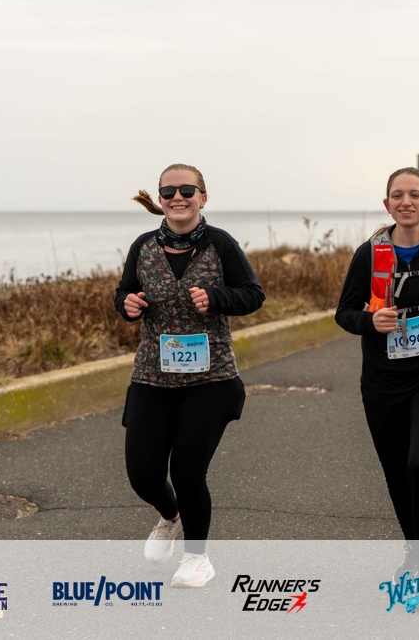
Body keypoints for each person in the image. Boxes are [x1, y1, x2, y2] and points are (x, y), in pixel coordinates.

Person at [114, 163, 265, 587]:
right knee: (143, 475)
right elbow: (123, 292)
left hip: (210, 380)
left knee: (187, 471)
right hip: (152, 377)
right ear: (160, 199)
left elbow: (253, 295)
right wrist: (127, 304)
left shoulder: (220, 244)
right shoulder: (143, 246)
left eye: (187, 190)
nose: (177, 197)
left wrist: (216, 297)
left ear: (203, 197)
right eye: (169, 192)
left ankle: (197, 558)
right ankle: (171, 516)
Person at [335, 167, 419, 579]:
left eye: (415, 194)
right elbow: (344, 312)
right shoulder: (368, 254)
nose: (406, 202)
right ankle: (414, 550)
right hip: (382, 380)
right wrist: (370, 322)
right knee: (397, 473)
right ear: (387, 204)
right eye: (397, 195)